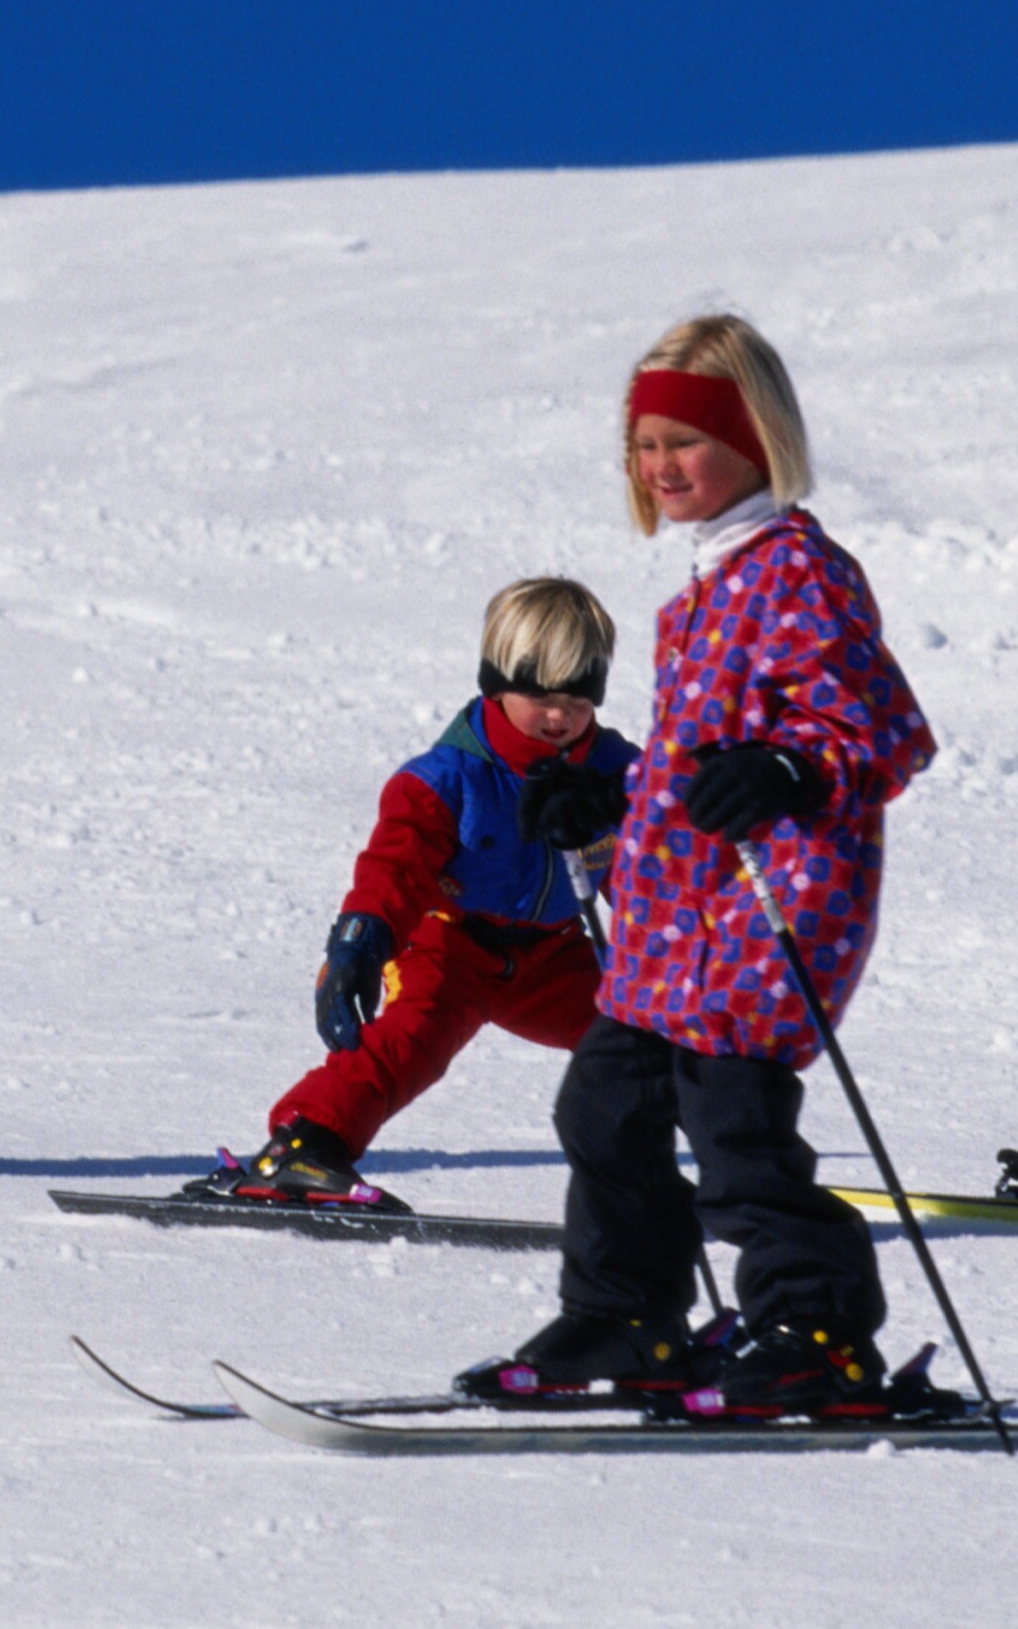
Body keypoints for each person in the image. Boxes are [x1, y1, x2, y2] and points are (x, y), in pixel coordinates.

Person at [468, 315, 942, 1418]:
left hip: (775, 903)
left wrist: (789, 767)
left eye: (685, 441)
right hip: (673, 919)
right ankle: (629, 1315)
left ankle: (816, 1330)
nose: (660, 467)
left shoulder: (800, 575)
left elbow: (883, 733)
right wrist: (608, 800)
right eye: (643, 446)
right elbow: (694, 766)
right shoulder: (702, 594)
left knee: (732, 1129)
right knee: (604, 1107)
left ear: (754, 439)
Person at [185, 579, 640, 1211]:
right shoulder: (448, 780)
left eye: (578, 699)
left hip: (555, 958)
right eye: (541, 696)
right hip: (450, 944)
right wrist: (360, 943)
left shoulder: (617, 774)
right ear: (497, 681)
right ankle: (303, 1146)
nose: (560, 716)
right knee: (408, 1040)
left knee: (652, 1029)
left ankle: (733, 1165)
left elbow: (661, 878)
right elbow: (393, 869)